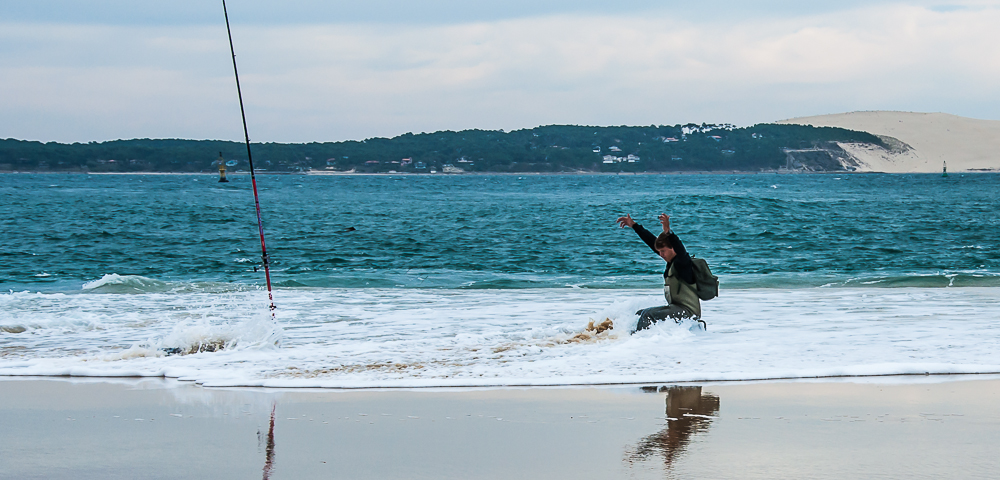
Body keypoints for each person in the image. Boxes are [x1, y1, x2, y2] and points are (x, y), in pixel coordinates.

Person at [616, 213, 704, 332]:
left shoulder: (683, 264)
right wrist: (634, 226)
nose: (661, 255)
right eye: (659, 252)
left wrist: (668, 232)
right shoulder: (671, 262)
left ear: (672, 249)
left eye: (663, 251)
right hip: (676, 308)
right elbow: (652, 242)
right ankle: (627, 336)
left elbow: (681, 251)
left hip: (688, 312)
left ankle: (638, 341)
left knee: (648, 315)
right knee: (640, 313)